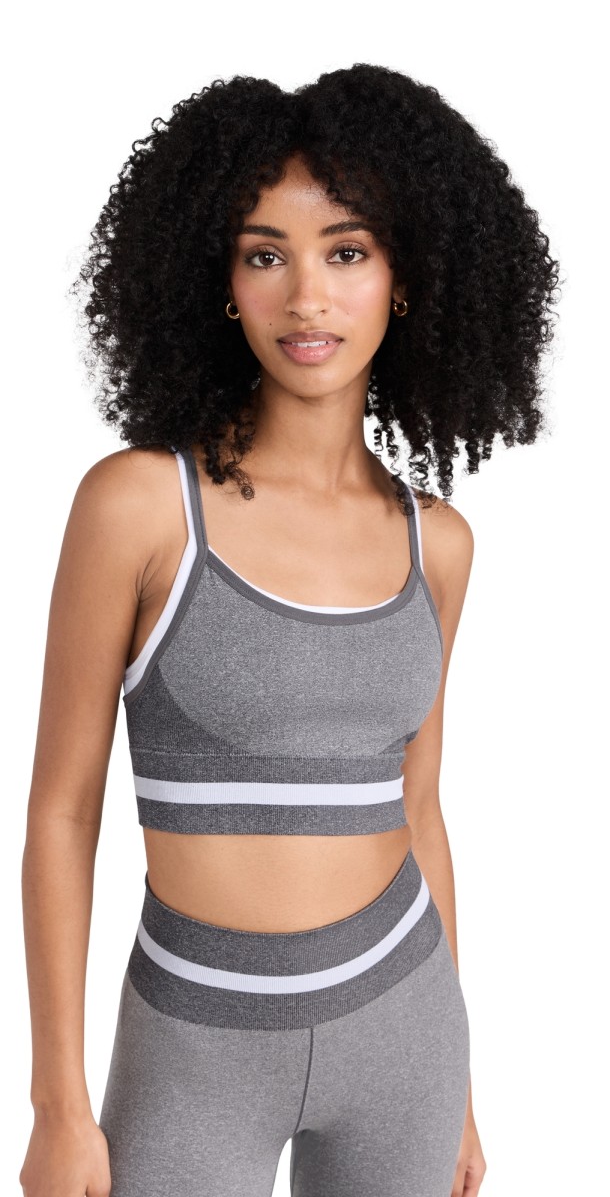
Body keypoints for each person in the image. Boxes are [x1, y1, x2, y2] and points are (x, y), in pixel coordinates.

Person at [19, 63, 561, 1197]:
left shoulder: (436, 544)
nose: (307, 297)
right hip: (192, 1043)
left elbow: (419, 806)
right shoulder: (138, 508)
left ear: (405, 279)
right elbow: (63, 810)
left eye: (346, 252)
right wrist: (58, 1104)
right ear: (221, 283)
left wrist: (461, 1088)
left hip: (405, 1028)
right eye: (266, 255)